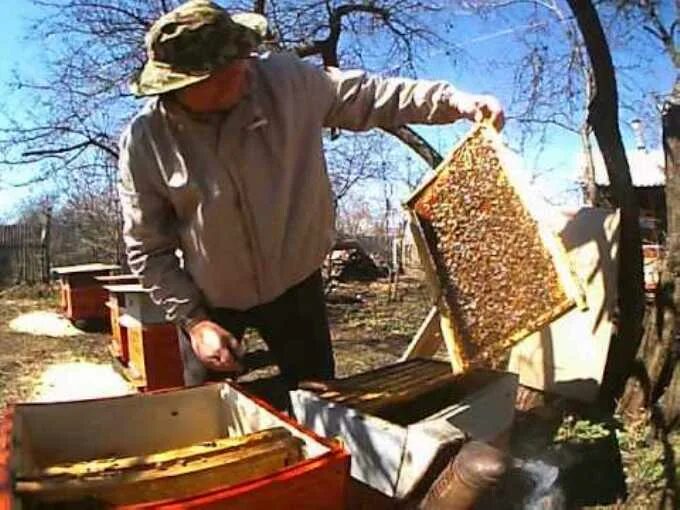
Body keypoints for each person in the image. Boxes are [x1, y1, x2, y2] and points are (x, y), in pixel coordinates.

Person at [118, 0, 504, 390]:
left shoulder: (286, 81)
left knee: (320, 406)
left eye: (240, 59)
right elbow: (149, 249)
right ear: (181, 84)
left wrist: (454, 101)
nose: (240, 71)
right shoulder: (146, 142)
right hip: (211, 303)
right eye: (220, 74)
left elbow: (370, 95)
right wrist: (195, 321)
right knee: (210, 419)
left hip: (297, 287)